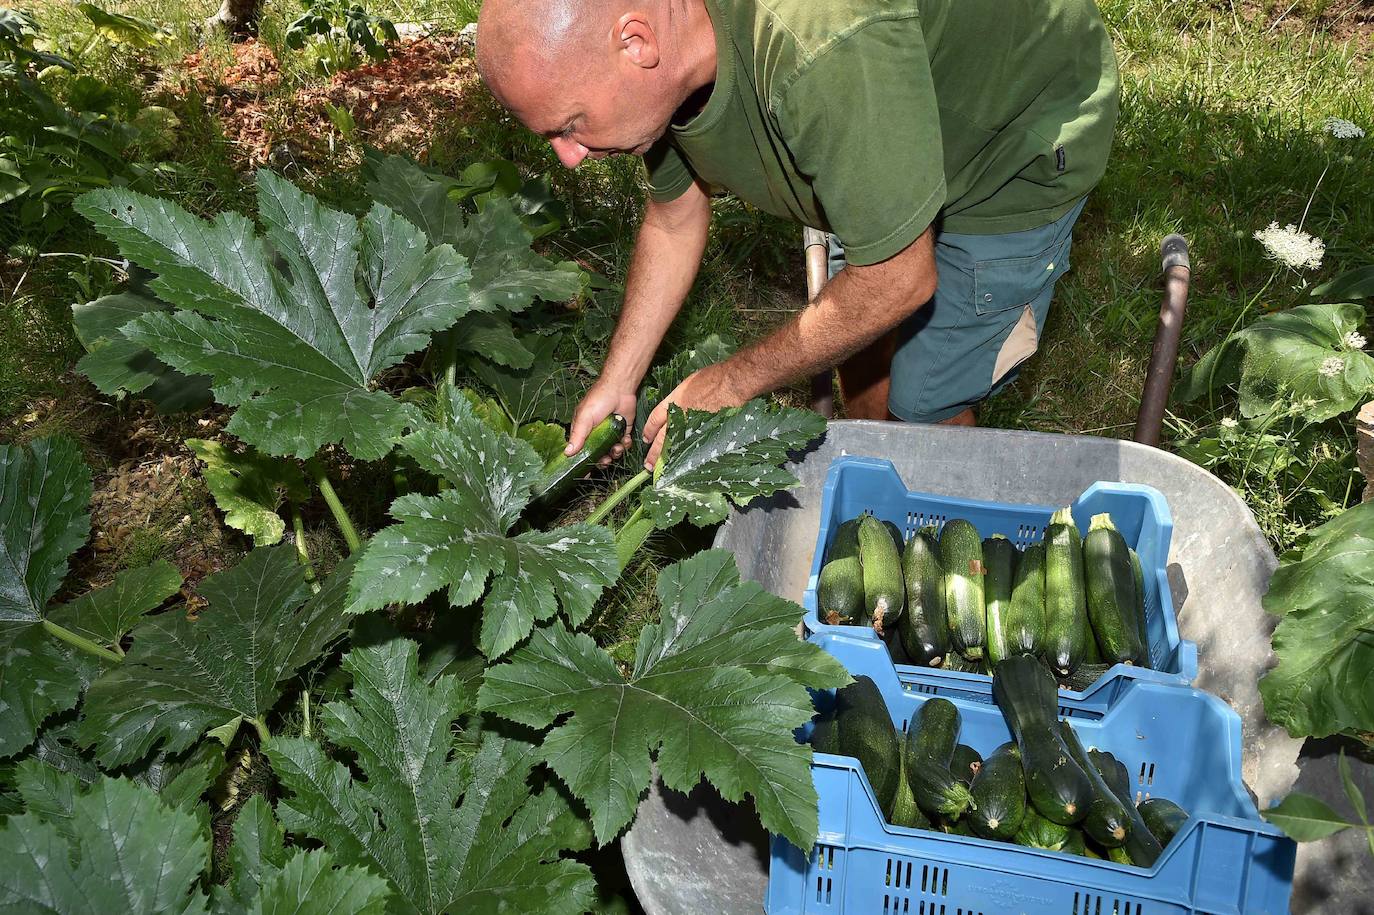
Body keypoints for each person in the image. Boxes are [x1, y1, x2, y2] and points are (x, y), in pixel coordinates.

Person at [475, 0, 1119, 467]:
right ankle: (883, 483)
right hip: (879, 119)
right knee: (862, 359)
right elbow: (674, 216)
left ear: (636, 42)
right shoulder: (665, 69)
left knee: (924, 402)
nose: (568, 155)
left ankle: (952, 541)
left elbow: (899, 279)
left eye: (569, 124)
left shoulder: (818, 43)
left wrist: (729, 383)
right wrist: (620, 379)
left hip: (1013, 142)